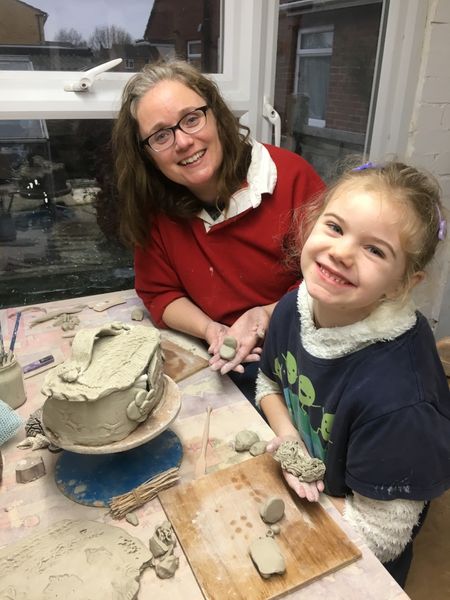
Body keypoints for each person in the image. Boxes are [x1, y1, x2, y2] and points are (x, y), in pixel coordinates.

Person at [255, 160, 450, 587]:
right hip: (308, 500)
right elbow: (268, 381)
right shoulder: (293, 309)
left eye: (375, 250)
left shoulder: (401, 400)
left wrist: (312, 498)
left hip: (361, 550)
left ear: (400, 284)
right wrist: (289, 440)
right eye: (335, 227)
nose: (341, 252)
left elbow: (382, 535)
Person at [111, 59, 324, 400]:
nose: (183, 142)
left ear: (217, 115)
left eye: (191, 119)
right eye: (161, 135)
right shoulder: (155, 206)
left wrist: (263, 316)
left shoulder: (291, 177)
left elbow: (329, 282)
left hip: (302, 356)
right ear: (147, 155)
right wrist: (210, 329)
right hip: (219, 360)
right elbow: (159, 293)